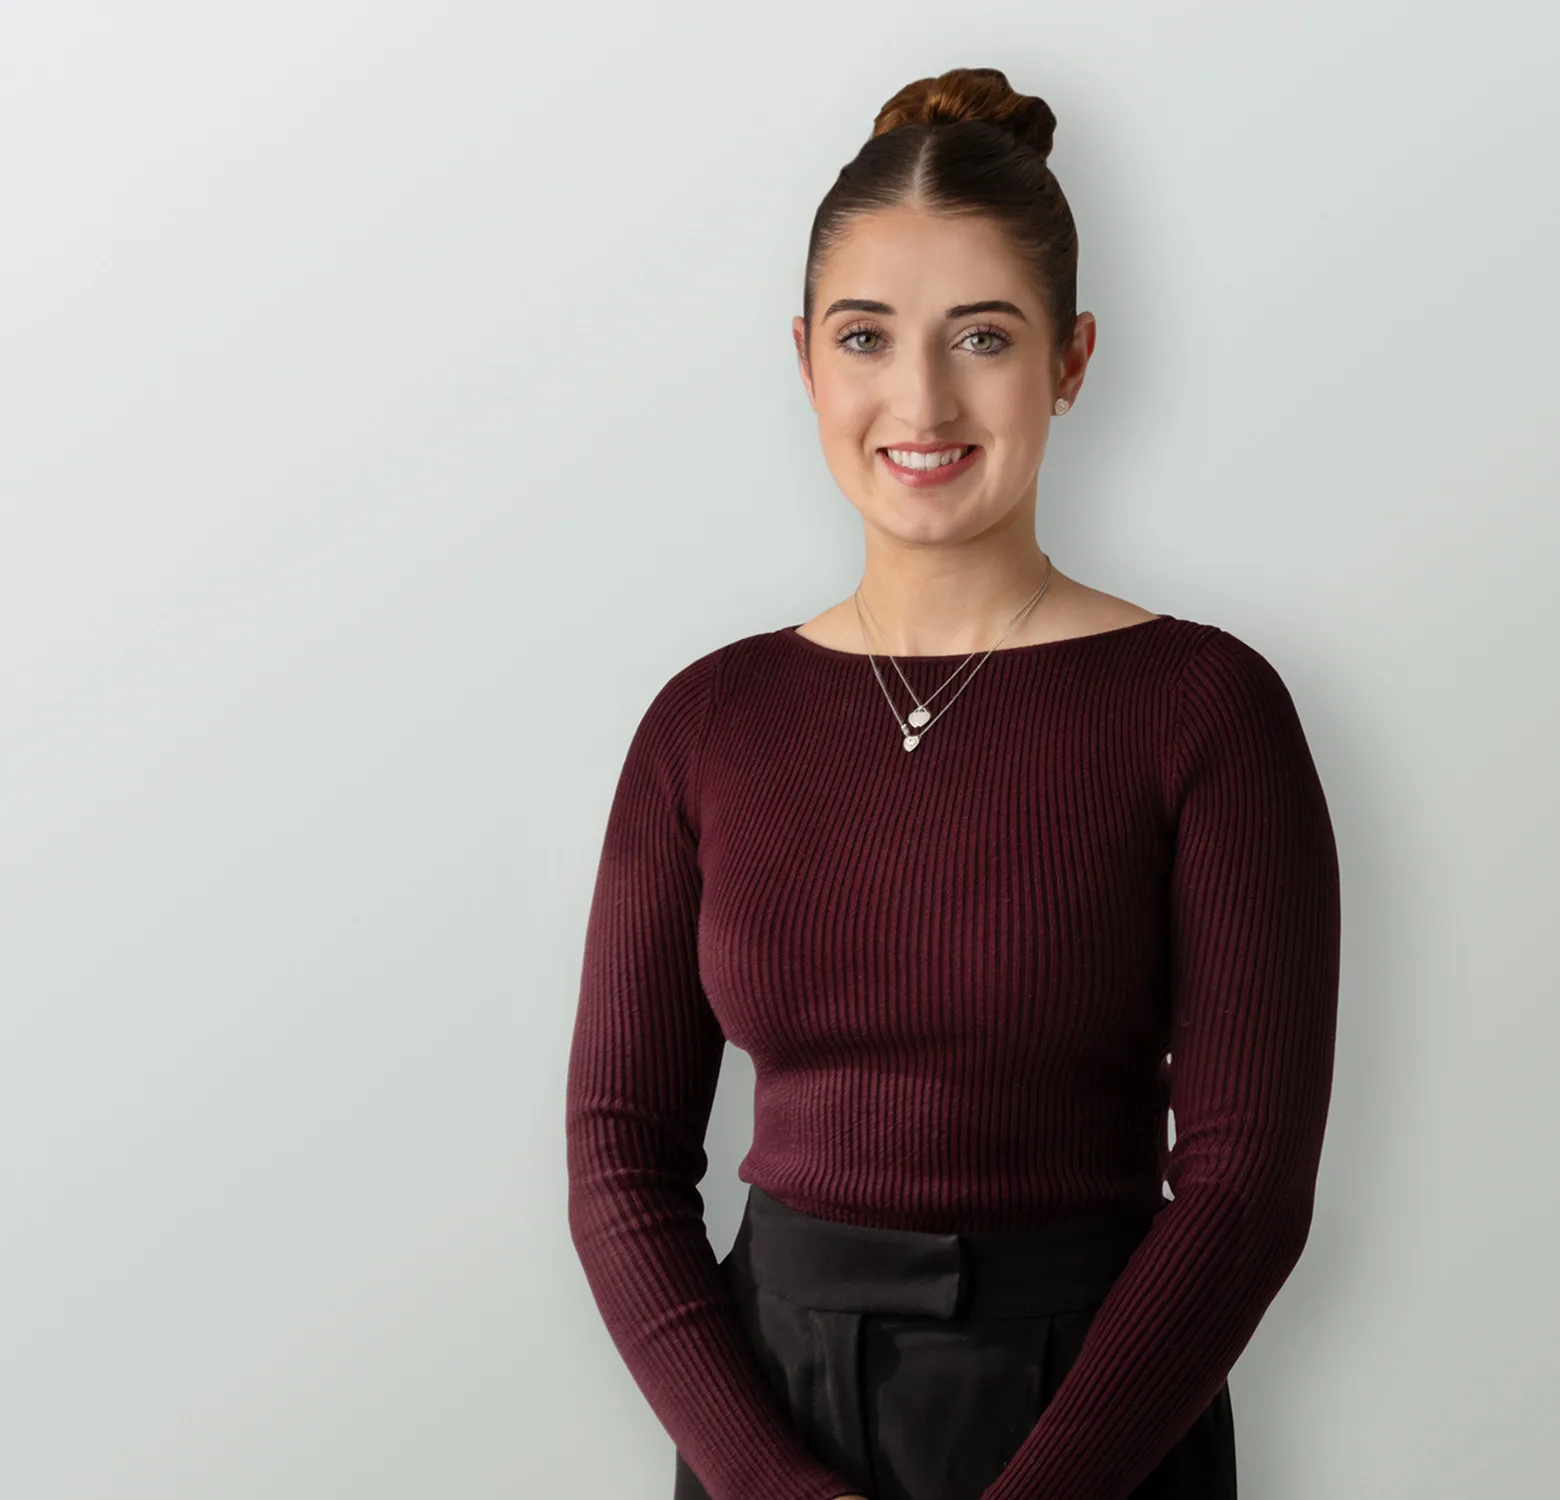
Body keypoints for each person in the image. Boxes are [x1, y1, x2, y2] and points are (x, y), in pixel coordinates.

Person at [565, 65, 1341, 1500]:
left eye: (983, 336)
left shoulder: (1206, 710)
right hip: (769, 1421)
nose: (920, 399)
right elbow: (619, 1158)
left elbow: (1246, 1183)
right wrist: (771, 1486)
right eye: (866, 336)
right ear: (806, 360)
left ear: (1072, 359)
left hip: (1101, 1424)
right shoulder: (707, 721)